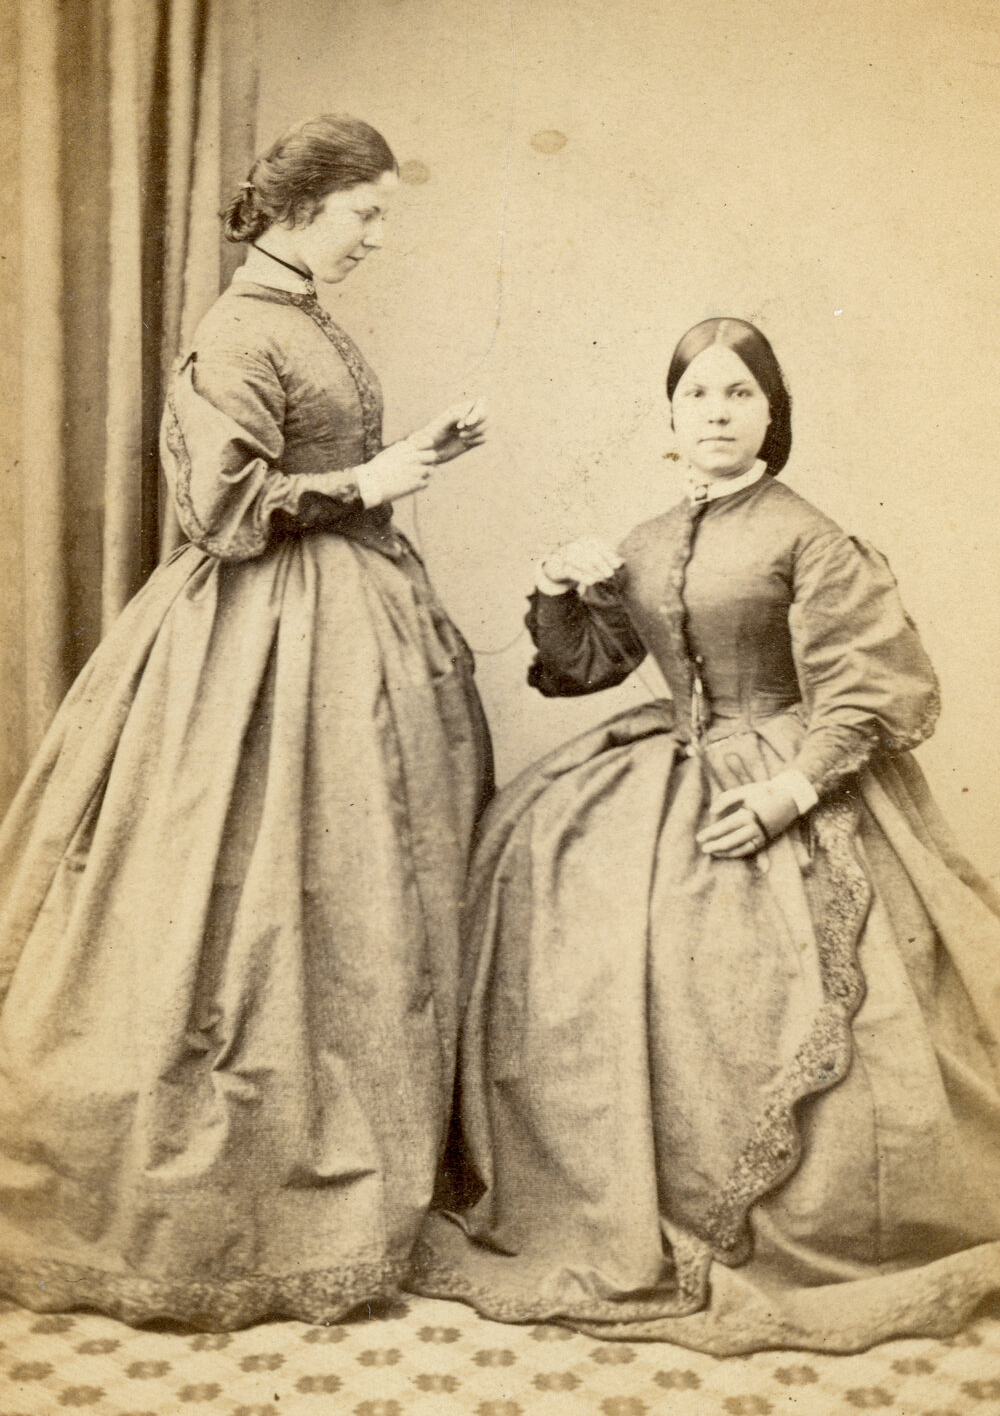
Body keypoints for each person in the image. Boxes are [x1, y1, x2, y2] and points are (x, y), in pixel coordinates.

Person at [413, 317, 1000, 1353]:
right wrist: (560, 585)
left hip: (795, 771)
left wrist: (788, 792)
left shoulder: (808, 537)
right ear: (671, 418)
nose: (716, 415)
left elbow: (869, 688)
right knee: (548, 888)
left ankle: (794, 1217)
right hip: (668, 763)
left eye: (737, 396)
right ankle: (601, 1191)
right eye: (697, 397)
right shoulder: (644, 537)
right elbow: (586, 666)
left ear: (772, 416)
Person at [0, 114, 493, 1330]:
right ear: (302, 204)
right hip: (259, 631)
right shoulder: (236, 328)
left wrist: (400, 459)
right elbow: (223, 508)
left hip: (349, 619)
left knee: (358, 893)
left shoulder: (302, 319)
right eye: (364, 212)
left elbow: (312, 458)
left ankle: (363, 1136)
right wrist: (364, 484)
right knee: (244, 901)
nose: (378, 234)